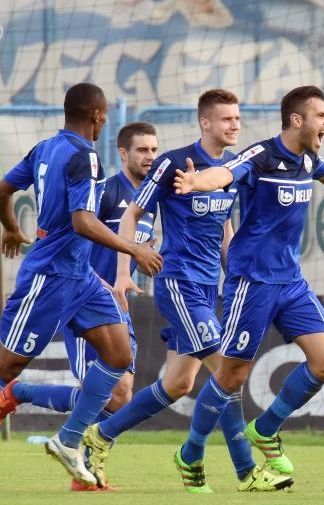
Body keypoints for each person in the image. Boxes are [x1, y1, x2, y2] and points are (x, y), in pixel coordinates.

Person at [0, 83, 162, 495]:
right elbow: (84, 221)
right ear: (98, 116)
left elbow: (2, 190)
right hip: (49, 277)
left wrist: (12, 228)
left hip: (79, 276)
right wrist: (133, 249)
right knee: (5, 365)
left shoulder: (45, 148)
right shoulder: (85, 157)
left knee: (119, 356)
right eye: (103, 116)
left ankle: (68, 440)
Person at [82, 89, 293, 493]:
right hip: (178, 284)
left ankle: (101, 435)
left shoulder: (234, 166)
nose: (235, 125)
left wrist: (236, 275)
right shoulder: (173, 163)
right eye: (227, 119)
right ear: (205, 122)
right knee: (227, 372)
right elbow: (132, 213)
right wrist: (125, 271)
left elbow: (226, 228)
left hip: (209, 287)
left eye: (237, 118)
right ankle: (246, 470)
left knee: (178, 384)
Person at [173, 85, 324, 484]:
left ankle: (265, 429)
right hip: (252, 282)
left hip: (291, 282)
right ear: (297, 120)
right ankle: (190, 451)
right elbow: (226, 172)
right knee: (232, 377)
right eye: (321, 115)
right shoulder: (261, 155)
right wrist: (199, 183)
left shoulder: (309, 158)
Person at [0, 121, 158, 491]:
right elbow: (81, 233)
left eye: (154, 150)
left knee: (119, 396)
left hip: (117, 306)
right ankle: (80, 467)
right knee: (113, 392)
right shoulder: (106, 192)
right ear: (123, 153)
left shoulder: (148, 202)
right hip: (85, 302)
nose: (150, 157)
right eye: (142, 150)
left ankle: (25, 395)